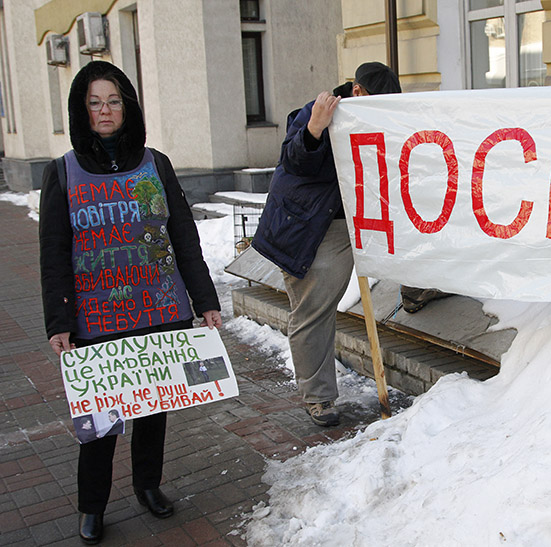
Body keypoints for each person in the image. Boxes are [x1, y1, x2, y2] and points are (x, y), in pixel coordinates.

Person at [39, 61, 222, 545]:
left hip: (158, 310)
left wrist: (204, 300)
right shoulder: (63, 172)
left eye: (114, 101)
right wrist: (59, 320)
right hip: (97, 318)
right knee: (101, 419)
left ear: (128, 107)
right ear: (83, 109)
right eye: (95, 102)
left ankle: (148, 486)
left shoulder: (155, 164)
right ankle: (92, 506)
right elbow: (54, 253)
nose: (105, 111)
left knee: (152, 409)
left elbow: (183, 236)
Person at [253, 62, 401, 427]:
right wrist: (315, 128)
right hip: (313, 229)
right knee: (313, 312)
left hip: (358, 221)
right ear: (357, 92)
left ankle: (416, 294)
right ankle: (318, 398)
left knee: (408, 260)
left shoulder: (378, 115)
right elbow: (294, 160)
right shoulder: (317, 111)